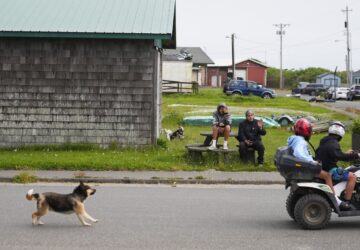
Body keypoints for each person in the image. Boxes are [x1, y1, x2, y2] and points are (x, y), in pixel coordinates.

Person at [315, 121, 360, 210]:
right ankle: (347, 202)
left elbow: (334, 155)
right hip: (330, 170)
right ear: (341, 133)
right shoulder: (334, 143)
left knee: (347, 171)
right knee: (353, 177)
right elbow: (339, 156)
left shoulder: (325, 141)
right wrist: (356, 155)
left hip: (323, 167)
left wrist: (345, 153)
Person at [287, 118, 335, 196]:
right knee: (327, 175)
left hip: (301, 167)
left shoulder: (295, 139)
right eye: (310, 131)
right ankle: (334, 198)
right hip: (306, 168)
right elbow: (299, 154)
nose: (311, 133)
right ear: (306, 131)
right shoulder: (301, 142)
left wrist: (312, 159)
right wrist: (312, 162)